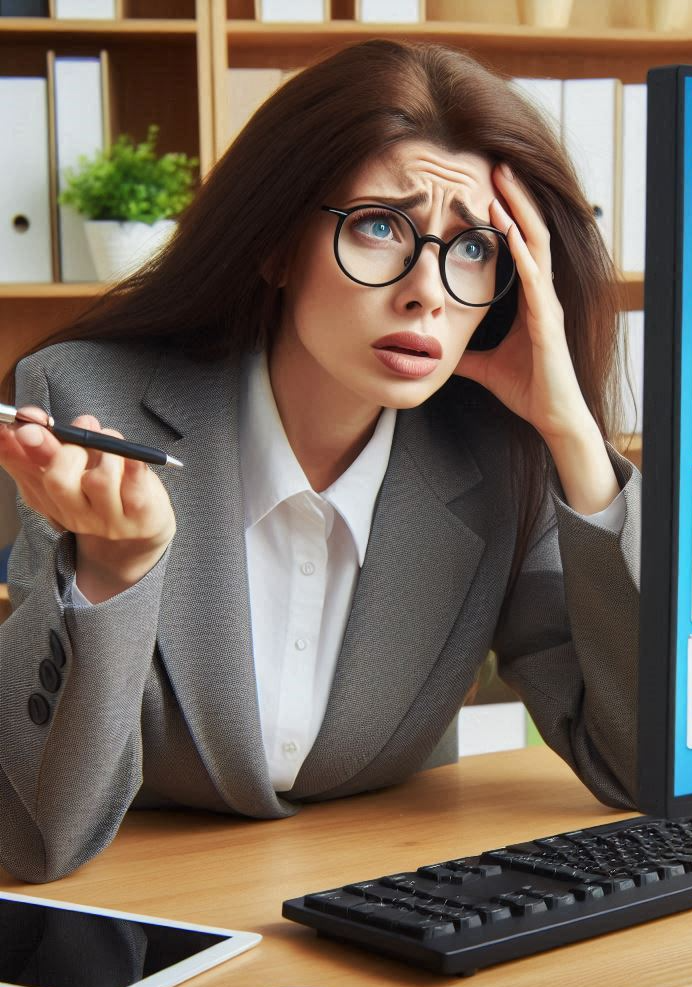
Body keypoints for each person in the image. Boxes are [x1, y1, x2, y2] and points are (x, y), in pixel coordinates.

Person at [0, 38, 640, 884]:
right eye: (381, 227)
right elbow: (33, 837)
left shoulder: (499, 453)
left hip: (391, 914)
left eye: (475, 247)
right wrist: (115, 570)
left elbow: (637, 767)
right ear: (274, 244)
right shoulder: (95, 406)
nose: (429, 289)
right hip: (157, 922)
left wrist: (574, 441)